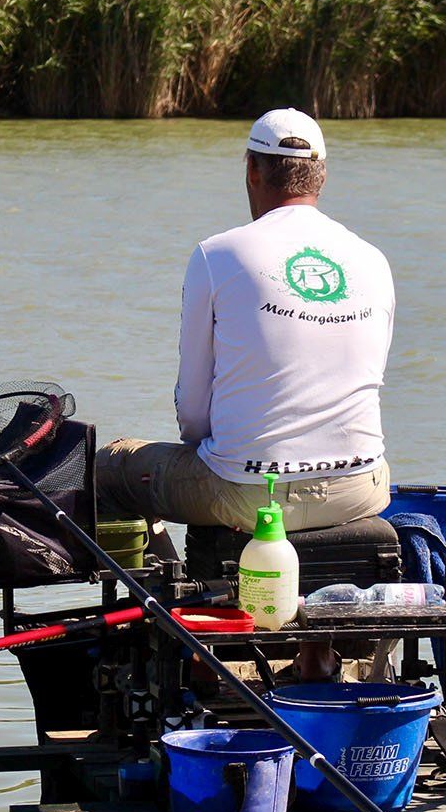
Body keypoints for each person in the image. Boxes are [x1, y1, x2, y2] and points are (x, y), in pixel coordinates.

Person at [98, 108, 395, 536]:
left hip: (249, 491)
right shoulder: (373, 259)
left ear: (253, 169)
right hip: (362, 487)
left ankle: (161, 594)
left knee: (111, 464)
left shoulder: (217, 255)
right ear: (322, 176)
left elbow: (193, 417)